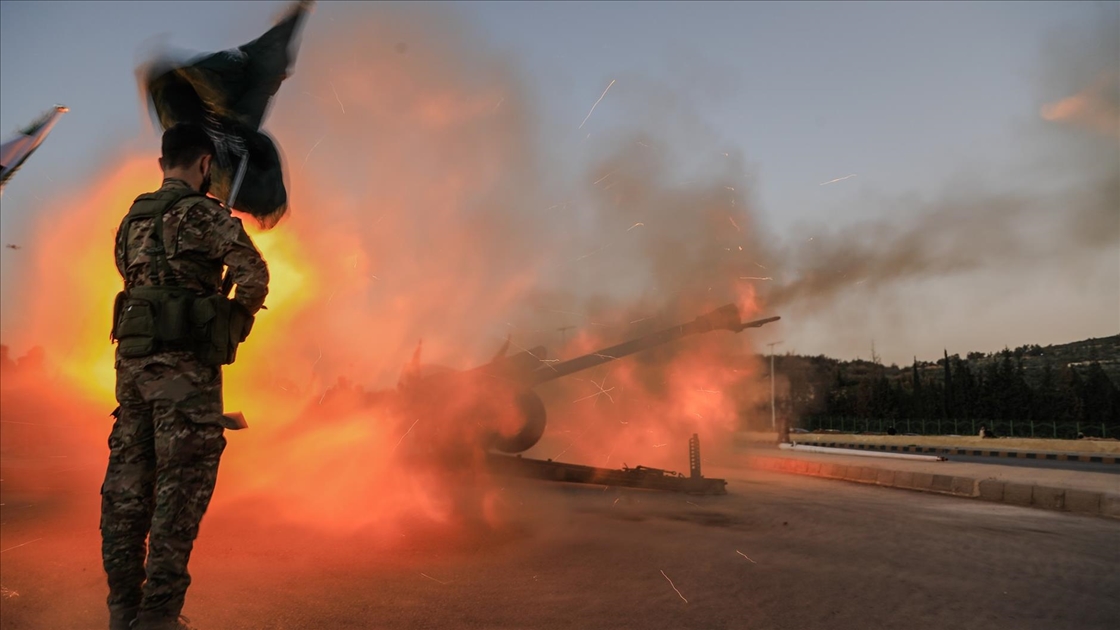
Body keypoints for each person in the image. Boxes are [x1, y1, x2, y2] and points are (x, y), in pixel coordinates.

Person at [102, 122, 269, 630]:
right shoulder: (205, 215)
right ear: (204, 165)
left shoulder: (132, 220)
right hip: (186, 380)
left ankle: (122, 612)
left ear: (161, 164)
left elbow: (130, 278)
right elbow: (254, 277)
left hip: (131, 376)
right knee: (181, 492)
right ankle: (158, 618)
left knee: (127, 493)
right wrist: (230, 324)